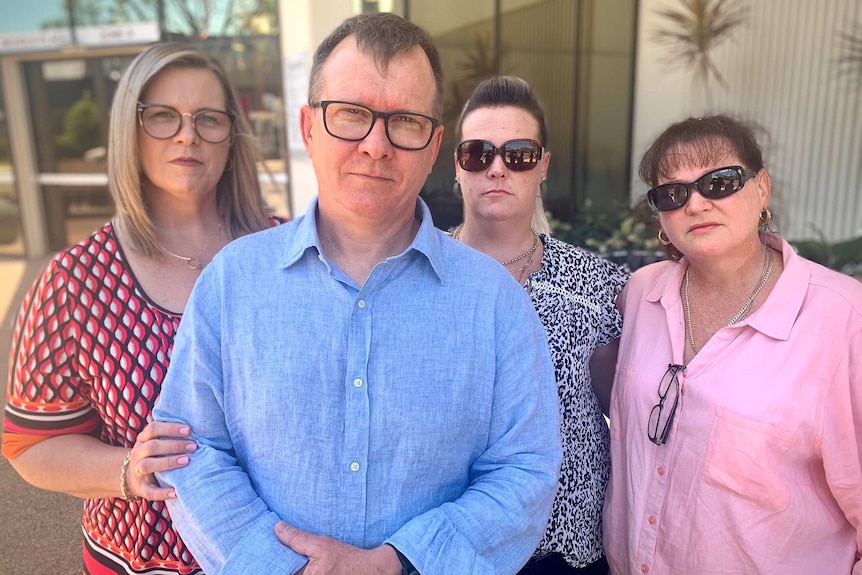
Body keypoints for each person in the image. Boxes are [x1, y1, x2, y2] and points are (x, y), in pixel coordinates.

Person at [152, 13, 562, 575]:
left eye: (406, 122)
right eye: (351, 114)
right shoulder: (232, 282)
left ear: (435, 143)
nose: (376, 145)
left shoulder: (495, 302)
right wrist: (283, 568)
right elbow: (190, 450)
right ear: (308, 126)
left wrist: (399, 564)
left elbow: (523, 471)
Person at [2, 43, 279, 575]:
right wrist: (128, 469)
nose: (187, 134)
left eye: (208, 118)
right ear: (129, 130)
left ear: (231, 135)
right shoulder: (75, 282)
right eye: (161, 116)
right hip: (138, 561)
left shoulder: (283, 251)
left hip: (274, 555)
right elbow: (28, 445)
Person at [603, 114, 862, 574]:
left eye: (719, 182)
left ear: (762, 188)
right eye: (673, 193)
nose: (696, 204)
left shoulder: (845, 321)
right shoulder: (641, 294)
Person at [450, 76, 628, 575]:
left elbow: (636, 412)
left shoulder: (596, 285)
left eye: (519, 153)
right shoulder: (420, 275)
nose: (498, 168)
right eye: (478, 153)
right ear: (457, 167)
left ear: (543, 165)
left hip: (565, 548)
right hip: (451, 542)